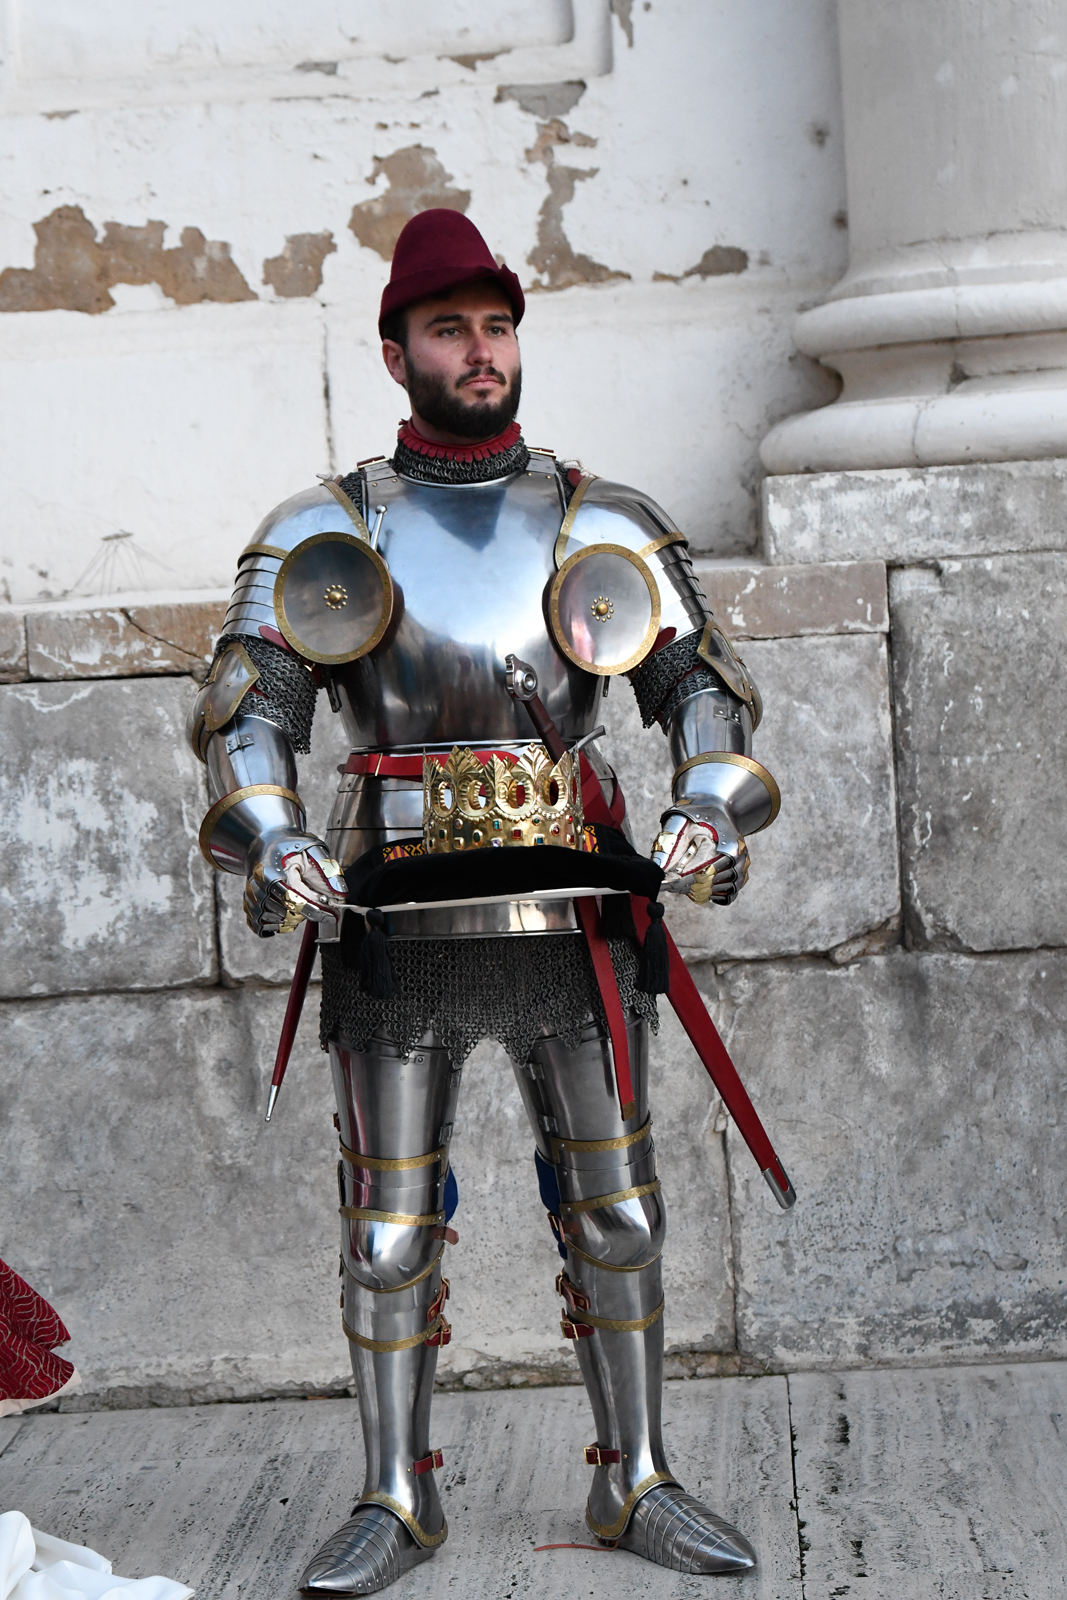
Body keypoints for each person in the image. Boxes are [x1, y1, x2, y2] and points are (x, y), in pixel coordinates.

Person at [187, 209, 779, 1593]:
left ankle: (635, 1480)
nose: (480, 351)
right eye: (449, 329)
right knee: (390, 1229)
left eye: (497, 325)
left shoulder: (601, 520)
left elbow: (700, 685)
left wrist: (703, 799)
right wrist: (272, 835)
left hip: (574, 904)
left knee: (619, 1211)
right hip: (394, 910)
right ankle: (398, 1496)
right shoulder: (327, 528)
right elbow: (246, 710)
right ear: (395, 349)